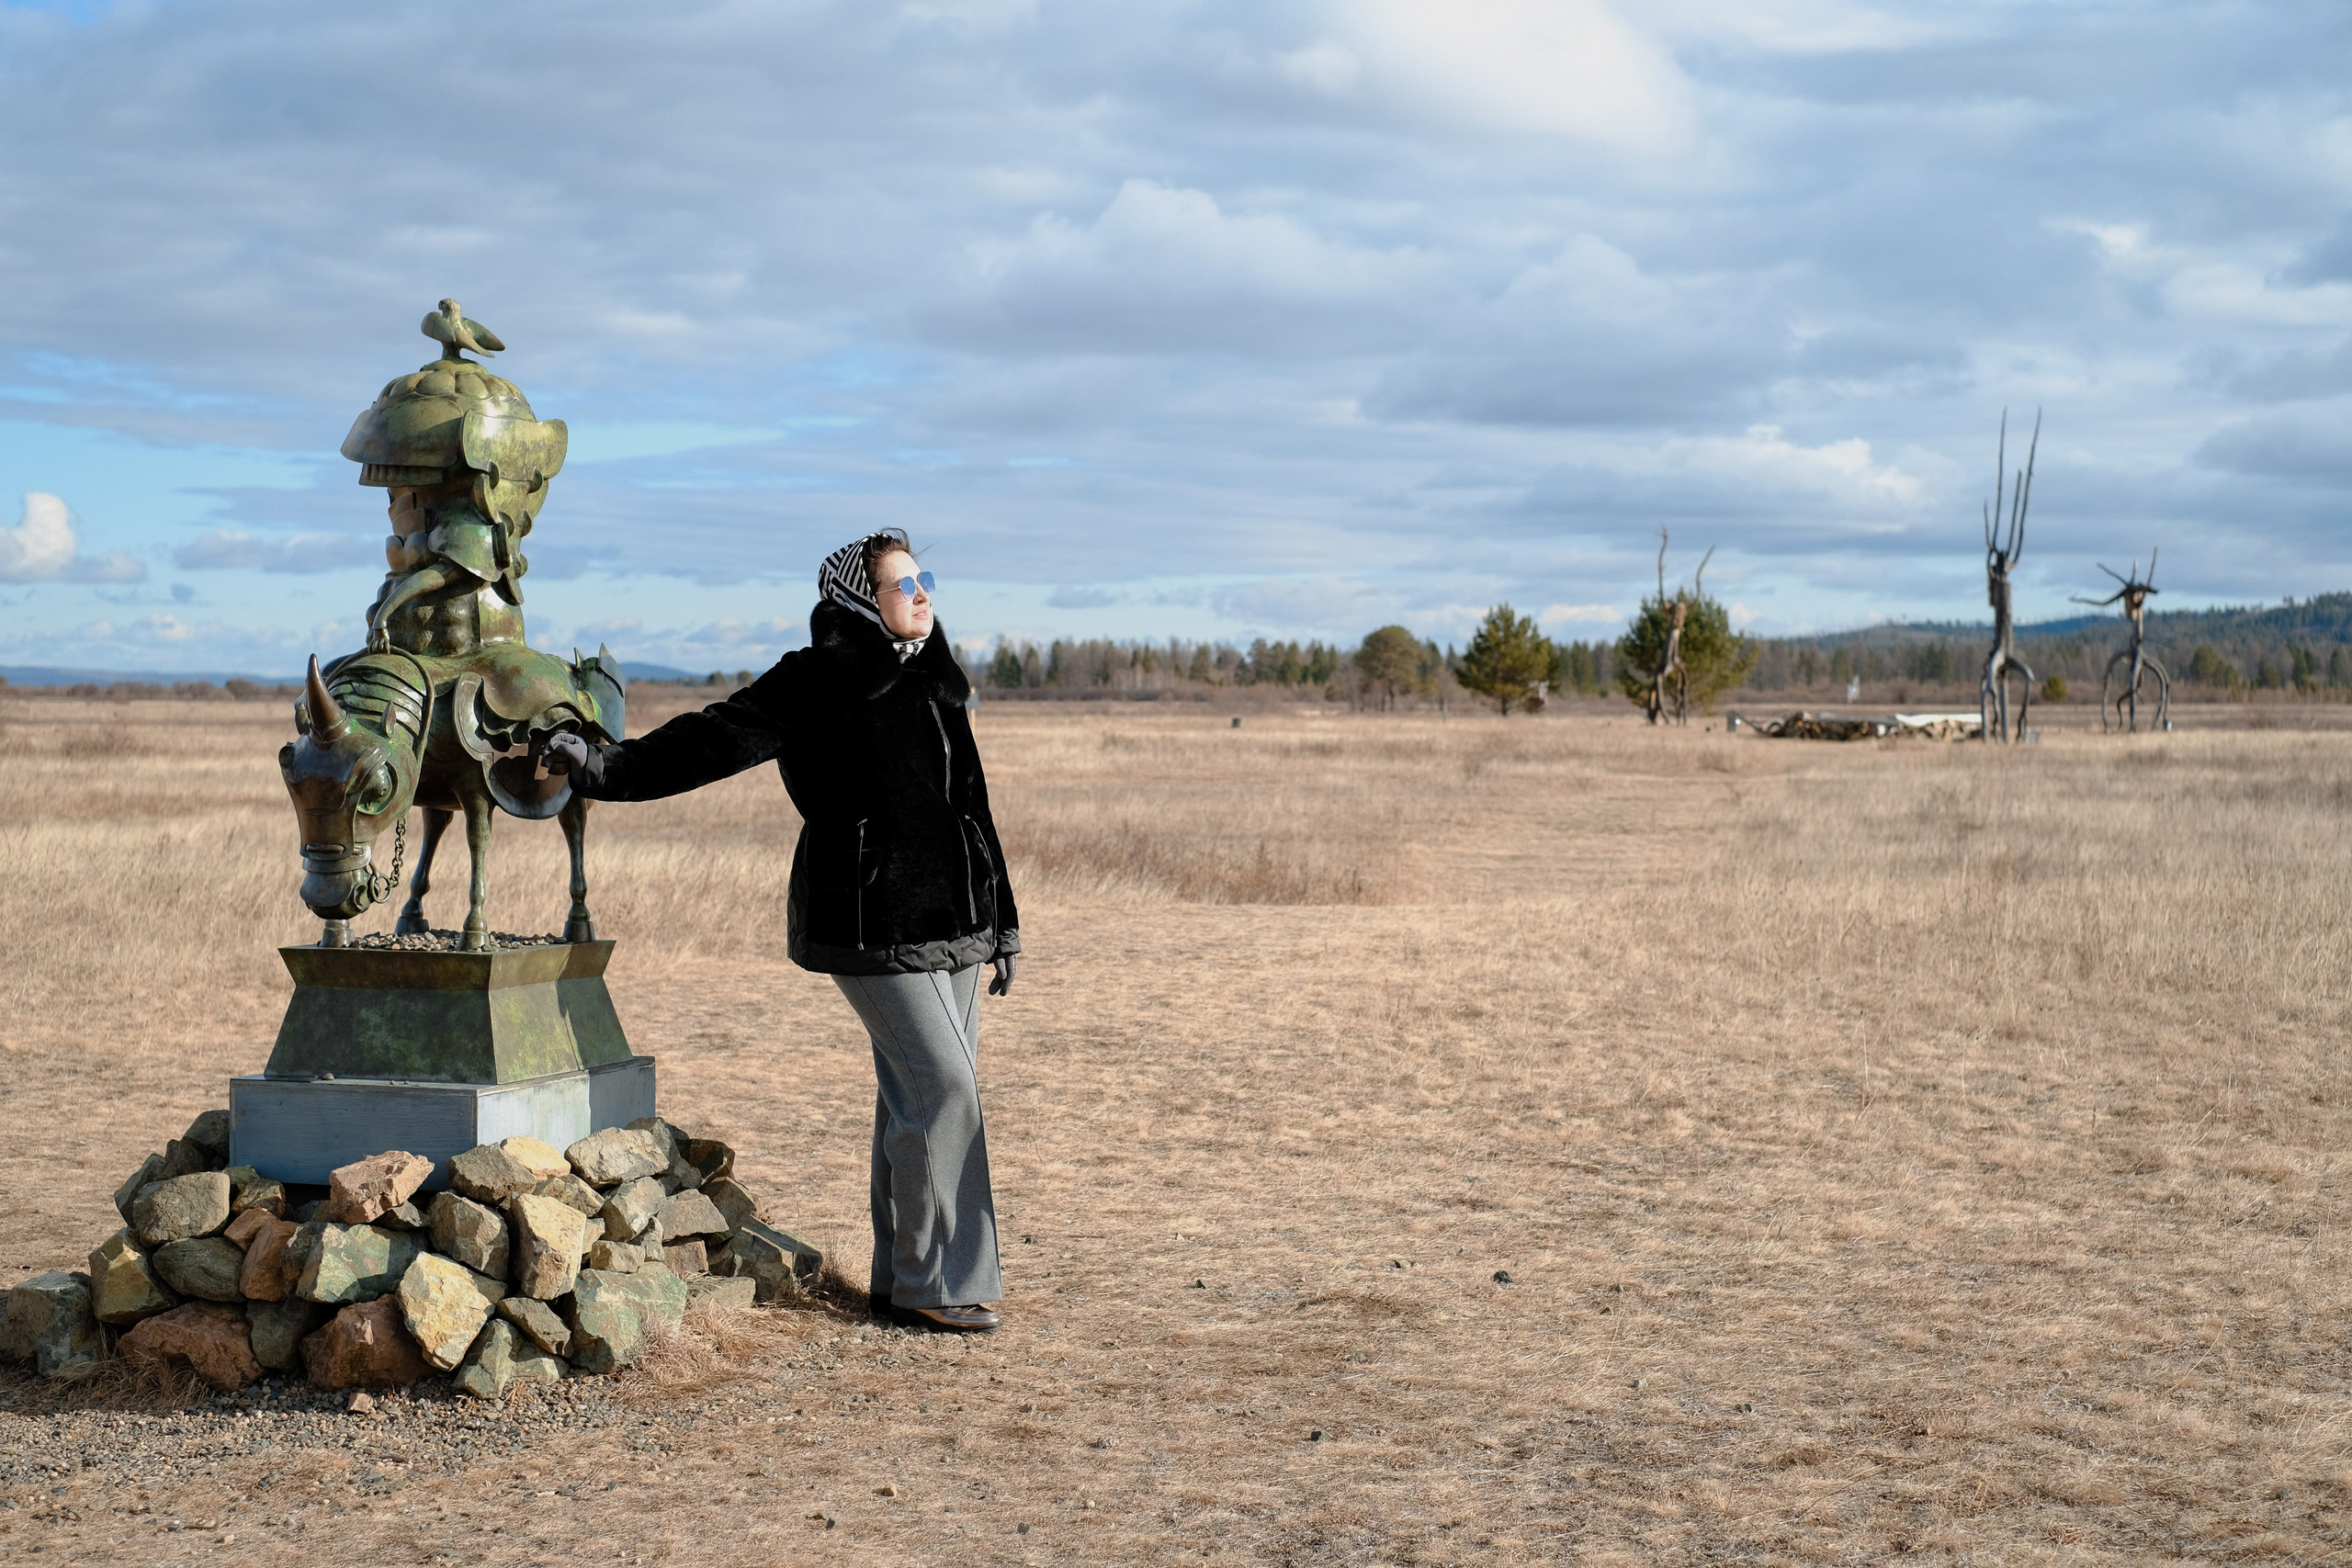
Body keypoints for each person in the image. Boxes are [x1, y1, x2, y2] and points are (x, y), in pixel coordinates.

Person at [544, 529, 1019, 1331]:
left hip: (961, 922)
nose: (923, 593)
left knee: (915, 1095)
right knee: (944, 1087)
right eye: (903, 583)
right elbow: (710, 738)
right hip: (869, 917)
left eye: (924, 578)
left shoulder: (938, 679)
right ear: (862, 600)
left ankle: (901, 1282)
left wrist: (1002, 921)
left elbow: (973, 805)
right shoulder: (818, 678)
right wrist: (606, 766)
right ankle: (944, 1283)